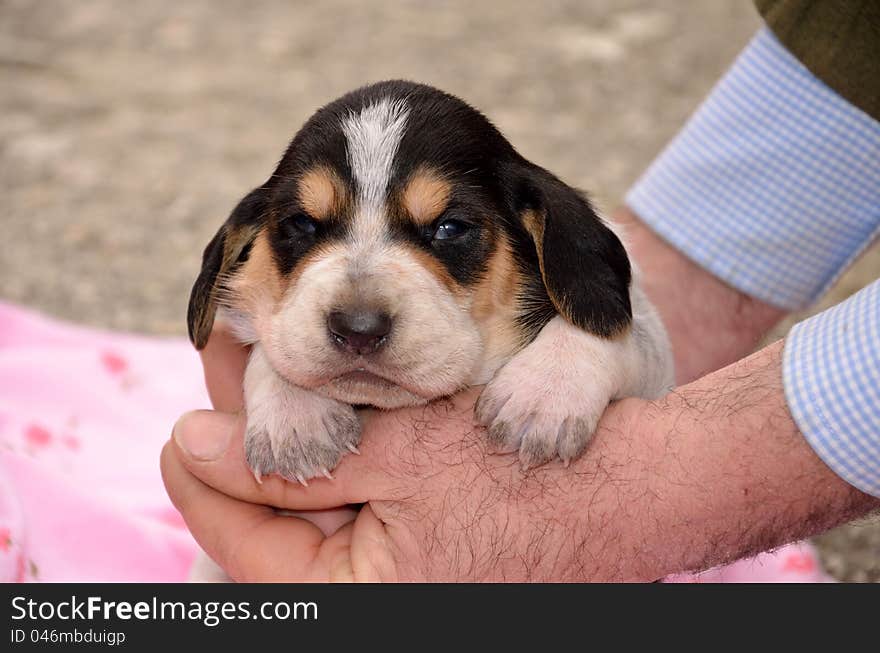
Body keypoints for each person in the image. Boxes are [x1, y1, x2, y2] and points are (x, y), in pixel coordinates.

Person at [160, 2, 880, 581]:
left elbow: (630, 331)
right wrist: (276, 371)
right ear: (247, 241)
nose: (358, 308)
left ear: (540, 234)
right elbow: (250, 319)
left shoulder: (562, 287)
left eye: (448, 231)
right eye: (301, 227)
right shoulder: (271, 295)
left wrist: (593, 348)